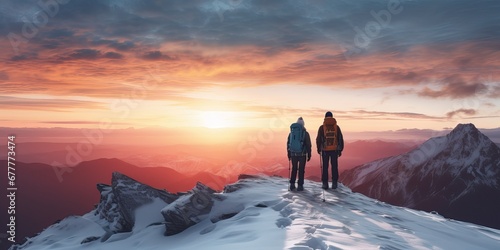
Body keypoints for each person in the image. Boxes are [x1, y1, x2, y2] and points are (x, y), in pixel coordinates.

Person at [316, 111, 344, 190]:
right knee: (334, 166)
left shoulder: (322, 127)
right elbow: (340, 138)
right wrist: (340, 150)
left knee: (325, 167)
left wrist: (319, 149)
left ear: (325, 117)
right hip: (334, 150)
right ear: (332, 117)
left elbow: (318, 139)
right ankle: (334, 182)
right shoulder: (336, 127)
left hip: (325, 150)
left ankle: (325, 183)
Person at [287, 117, 312, 191]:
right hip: (302, 154)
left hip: (293, 153)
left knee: (294, 168)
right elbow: (308, 144)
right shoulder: (305, 133)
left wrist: (289, 153)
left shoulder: (291, 132)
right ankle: (300, 185)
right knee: (301, 170)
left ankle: (292, 184)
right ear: (303, 124)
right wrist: (309, 154)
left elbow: (288, 143)